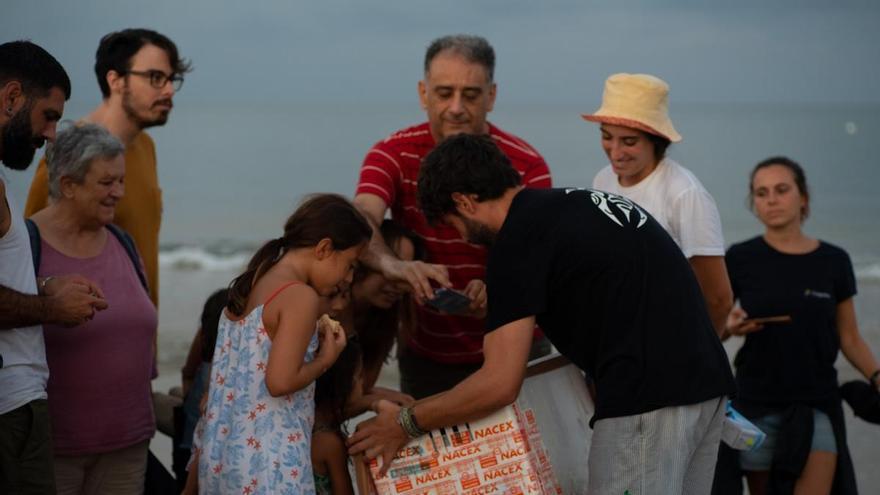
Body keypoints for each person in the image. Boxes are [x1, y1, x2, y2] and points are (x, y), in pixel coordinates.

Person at [349, 134, 736, 494]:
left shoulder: (517, 242)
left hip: (646, 403)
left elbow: (499, 383)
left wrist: (405, 423)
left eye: (453, 224)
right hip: (708, 388)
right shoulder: (577, 203)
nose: (463, 238)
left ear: (464, 202)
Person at [354, 34, 552, 399]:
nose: (457, 107)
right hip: (426, 350)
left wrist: (500, 291)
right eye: (444, 93)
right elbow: (361, 216)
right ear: (423, 93)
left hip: (516, 345)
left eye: (471, 95)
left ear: (491, 96)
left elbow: (538, 257)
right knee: (431, 453)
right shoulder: (391, 154)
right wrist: (392, 265)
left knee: (535, 456)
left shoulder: (528, 164)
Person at [720, 157, 878, 494]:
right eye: (761, 193)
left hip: (816, 403)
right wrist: (730, 327)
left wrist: (877, 376)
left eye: (781, 190)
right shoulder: (739, 257)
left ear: (803, 197)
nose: (772, 200)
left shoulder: (834, 261)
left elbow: (849, 337)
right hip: (755, 404)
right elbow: (713, 330)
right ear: (754, 203)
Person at [196, 194, 371, 494]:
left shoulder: (253, 284)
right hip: (272, 467)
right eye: (350, 265)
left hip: (225, 464)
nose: (348, 278)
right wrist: (326, 358)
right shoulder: (300, 296)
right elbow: (279, 381)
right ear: (324, 248)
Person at [0, 40, 107, 494]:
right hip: (10, 414)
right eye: (50, 115)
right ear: (11, 97)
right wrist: (51, 308)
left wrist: (41, 285)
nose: (51, 134)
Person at [27, 123, 157, 493]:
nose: (119, 192)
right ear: (68, 185)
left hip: (129, 448)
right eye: (106, 183)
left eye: (121, 180)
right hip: (52, 453)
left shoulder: (123, 243)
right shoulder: (25, 246)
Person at [26, 28, 192, 308]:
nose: (168, 90)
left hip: (139, 332)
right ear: (115, 80)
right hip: (87, 331)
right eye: (155, 78)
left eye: (172, 79)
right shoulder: (69, 153)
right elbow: (26, 254)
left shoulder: (145, 147)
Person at [584, 73, 732, 335]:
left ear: (656, 140)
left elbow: (718, 298)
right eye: (607, 136)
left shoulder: (684, 193)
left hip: (669, 339)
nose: (615, 152)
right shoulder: (603, 179)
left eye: (629, 141)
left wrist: (700, 358)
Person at [336, 220, 421, 413]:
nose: (400, 284)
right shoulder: (326, 309)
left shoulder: (382, 318)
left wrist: (373, 394)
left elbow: (359, 390)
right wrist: (373, 400)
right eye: (393, 270)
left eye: (407, 273)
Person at [174, 288, 228, 489]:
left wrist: (188, 398)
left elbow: (187, 372)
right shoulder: (238, 365)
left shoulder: (207, 354)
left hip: (188, 444)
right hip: (209, 454)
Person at [312, 341, 363, 495]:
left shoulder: (307, 428)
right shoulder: (331, 444)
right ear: (345, 385)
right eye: (359, 376)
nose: (363, 383)